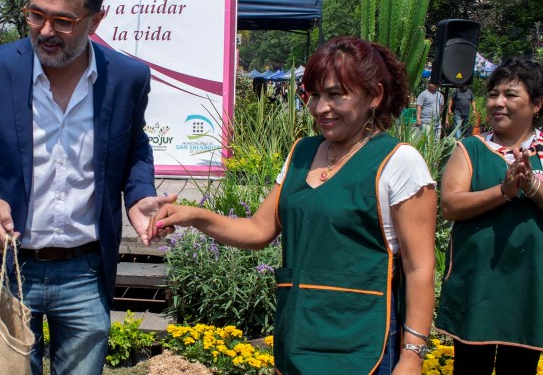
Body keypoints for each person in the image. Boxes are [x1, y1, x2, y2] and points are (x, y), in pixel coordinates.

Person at [148, 36, 437, 374]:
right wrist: (193, 215)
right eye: (314, 95)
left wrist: (412, 356)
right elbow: (258, 230)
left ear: (374, 95)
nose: (321, 108)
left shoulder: (399, 162)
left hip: (360, 341)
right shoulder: (302, 153)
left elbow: (419, 268)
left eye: (335, 94)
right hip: (298, 336)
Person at [0, 0, 175, 374]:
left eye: (63, 21)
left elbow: (135, 146)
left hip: (85, 271)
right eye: (36, 14)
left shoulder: (127, 77)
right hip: (9, 270)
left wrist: (138, 196)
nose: (46, 31)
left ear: (95, 20)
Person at [436, 57, 543, 375]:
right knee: (470, 365)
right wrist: (504, 191)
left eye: (511, 95)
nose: (498, 103)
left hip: (531, 282)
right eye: (493, 94)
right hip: (479, 281)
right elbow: (450, 205)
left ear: (536, 104)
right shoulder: (470, 148)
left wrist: (532, 185)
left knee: (520, 365)